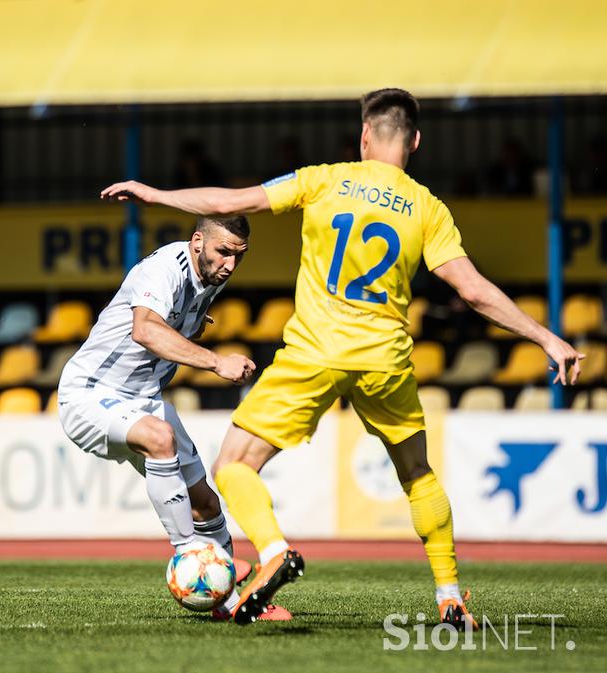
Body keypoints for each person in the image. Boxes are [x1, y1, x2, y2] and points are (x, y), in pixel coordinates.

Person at [101, 88, 585, 627]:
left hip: (315, 351)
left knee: (234, 465)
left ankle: (274, 550)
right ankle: (449, 596)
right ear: (415, 141)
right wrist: (546, 336)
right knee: (418, 474)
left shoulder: (324, 178)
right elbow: (472, 290)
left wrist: (153, 193)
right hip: (385, 358)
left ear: (364, 136)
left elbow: (225, 205)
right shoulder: (428, 209)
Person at [58, 216, 287, 622]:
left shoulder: (213, 276)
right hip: (89, 393)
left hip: (143, 398)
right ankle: (192, 558)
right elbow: (145, 330)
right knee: (159, 436)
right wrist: (217, 362)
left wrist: (192, 327)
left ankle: (232, 604)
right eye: (223, 252)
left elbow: (173, 326)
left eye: (239, 256)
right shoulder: (163, 269)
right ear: (197, 242)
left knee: (205, 503)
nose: (230, 265)